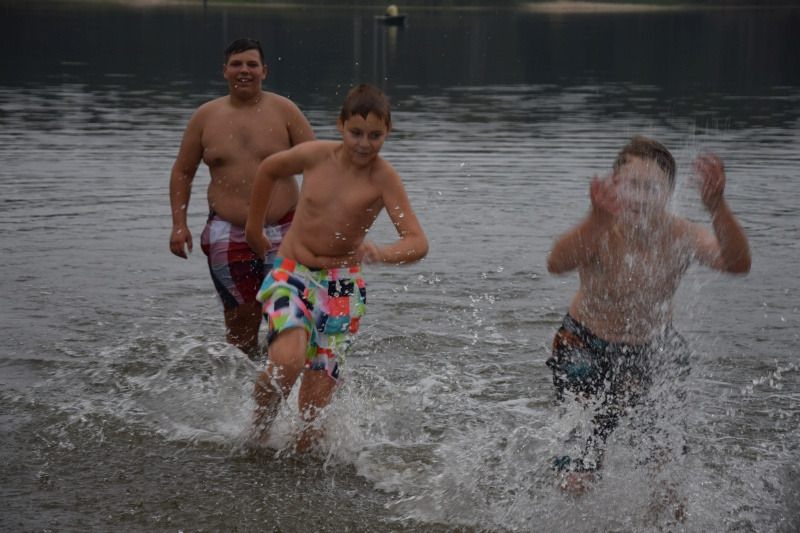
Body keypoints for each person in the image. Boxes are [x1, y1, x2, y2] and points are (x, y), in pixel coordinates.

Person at [546, 136, 751, 492]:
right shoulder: (599, 231)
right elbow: (556, 263)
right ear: (613, 186)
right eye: (632, 186)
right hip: (584, 345)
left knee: (667, 471)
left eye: (651, 188)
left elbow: (736, 263)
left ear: (668, 194)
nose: (640, 198)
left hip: (653, 350)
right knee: (579, 470)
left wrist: (718, 208)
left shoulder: (683, 234)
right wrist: (594, 220)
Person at [245, 83, 428, 451]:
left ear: (387, 132)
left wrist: (383, 252)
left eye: (375, 136)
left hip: (342, 285)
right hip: (292, 271)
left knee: (313, 418)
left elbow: (417, 241)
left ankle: (299, 460)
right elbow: (268, 169)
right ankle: (257, 428)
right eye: (356, 133)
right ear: (340, 124)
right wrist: (253, 226)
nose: (364, 144)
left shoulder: (383, 178)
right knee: (287, 361)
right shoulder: (316, 156)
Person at [169, 38, 314, 359]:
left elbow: (317, 165)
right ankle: (245, 379)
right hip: (227, 231)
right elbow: (182, 172)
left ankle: (285, 372)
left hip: (284, 229)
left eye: (251, 64)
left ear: (264, 70)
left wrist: (315, 220)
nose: (244, 70)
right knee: (241, 324)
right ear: (225, 71)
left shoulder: (285, 111)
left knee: (287, 316)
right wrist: (179, 225)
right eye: (236, 64)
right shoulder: (205, 117)